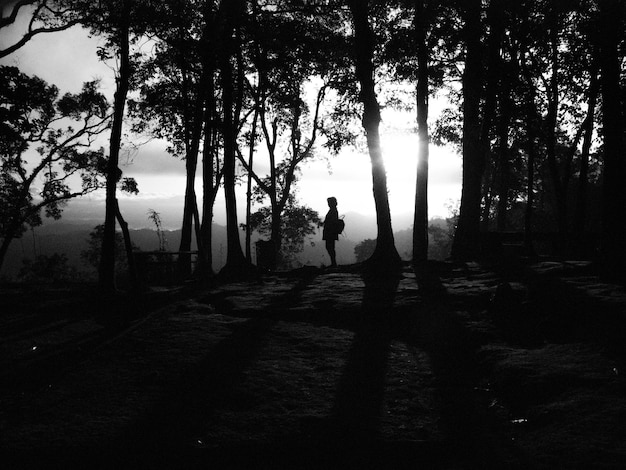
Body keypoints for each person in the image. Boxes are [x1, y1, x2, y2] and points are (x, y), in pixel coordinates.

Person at [322, 196, 339, 267]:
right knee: (330, 247)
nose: (328, 204)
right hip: (331, 232)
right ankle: (333, 263)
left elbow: (332, 222)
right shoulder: (333, 210)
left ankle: (334, 263)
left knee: (330, 247)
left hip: (330, 232)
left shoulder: (333, 211)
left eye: (329, 202)